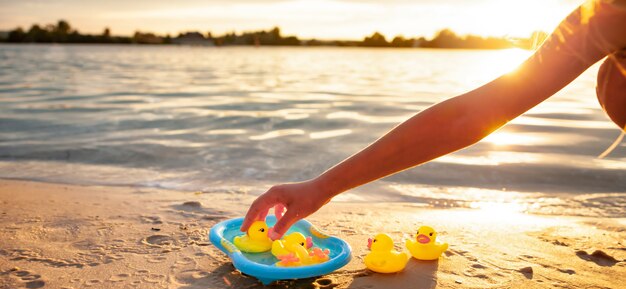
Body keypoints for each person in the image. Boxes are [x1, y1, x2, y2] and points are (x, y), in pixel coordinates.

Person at [242, 0, 626, 239]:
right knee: (610, 81)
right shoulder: (604, 17)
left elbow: (468, 117)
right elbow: (468, 116)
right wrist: (321, 187)